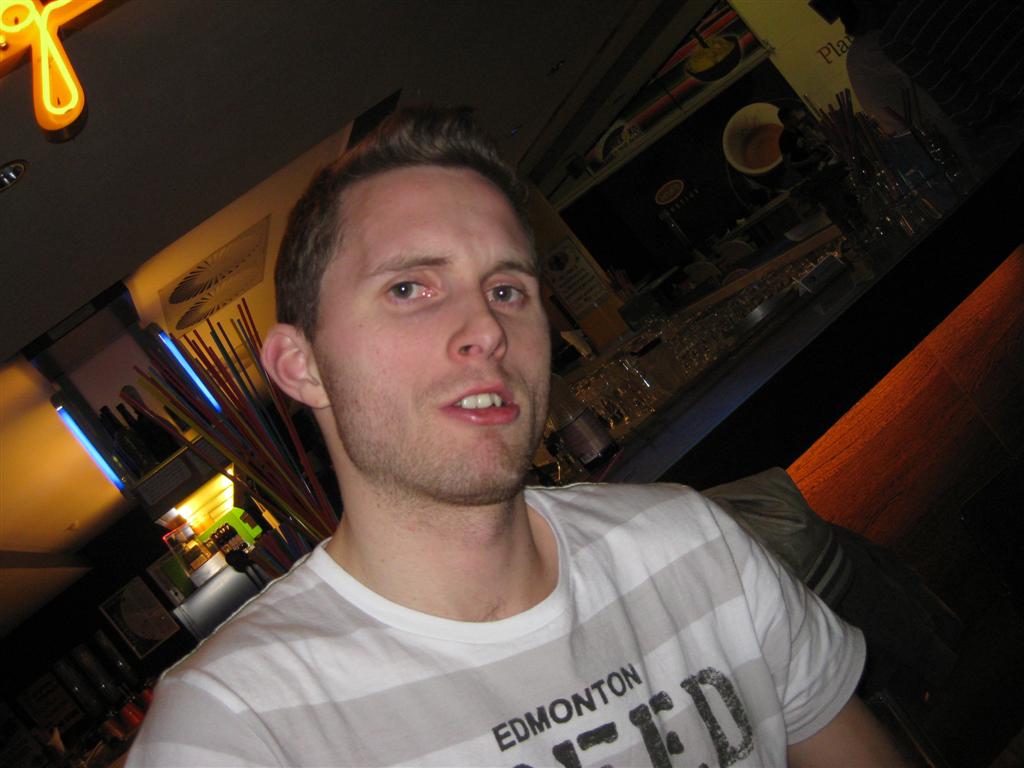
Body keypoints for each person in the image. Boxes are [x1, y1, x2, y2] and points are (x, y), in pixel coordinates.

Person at [127, 105, 906, 766]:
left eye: (506, 289)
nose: (487, 328)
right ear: (302, 367)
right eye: (409, 287)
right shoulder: (236, 725)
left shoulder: (693, 545)